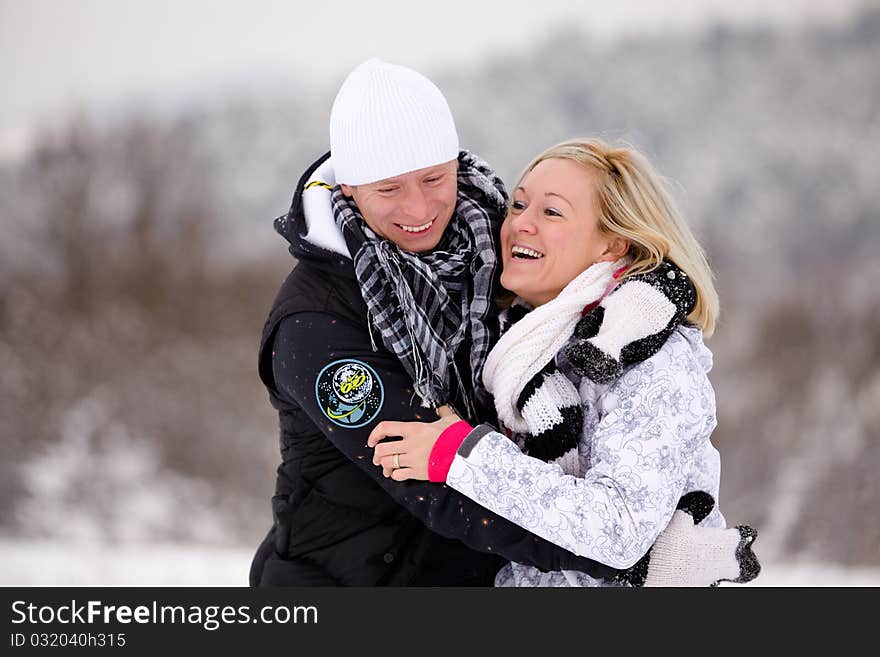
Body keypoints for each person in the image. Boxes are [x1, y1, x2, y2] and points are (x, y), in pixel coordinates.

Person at [250, 59, 757, 586]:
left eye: (432, 178)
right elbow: (427, 477)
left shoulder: (501, 261)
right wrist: (635, 558)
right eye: (389, 189)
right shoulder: (318, 322)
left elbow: (617, 255)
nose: (419, 206)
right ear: (349, 188)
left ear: (457, 163)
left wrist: (655, 291)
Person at [367, 137, 760, 586]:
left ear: (611, 245)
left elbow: (620, 530)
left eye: (551, 212)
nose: (521, 225)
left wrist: (461, 455)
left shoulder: (649, 358)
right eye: (517, 206)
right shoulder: (521, 354)